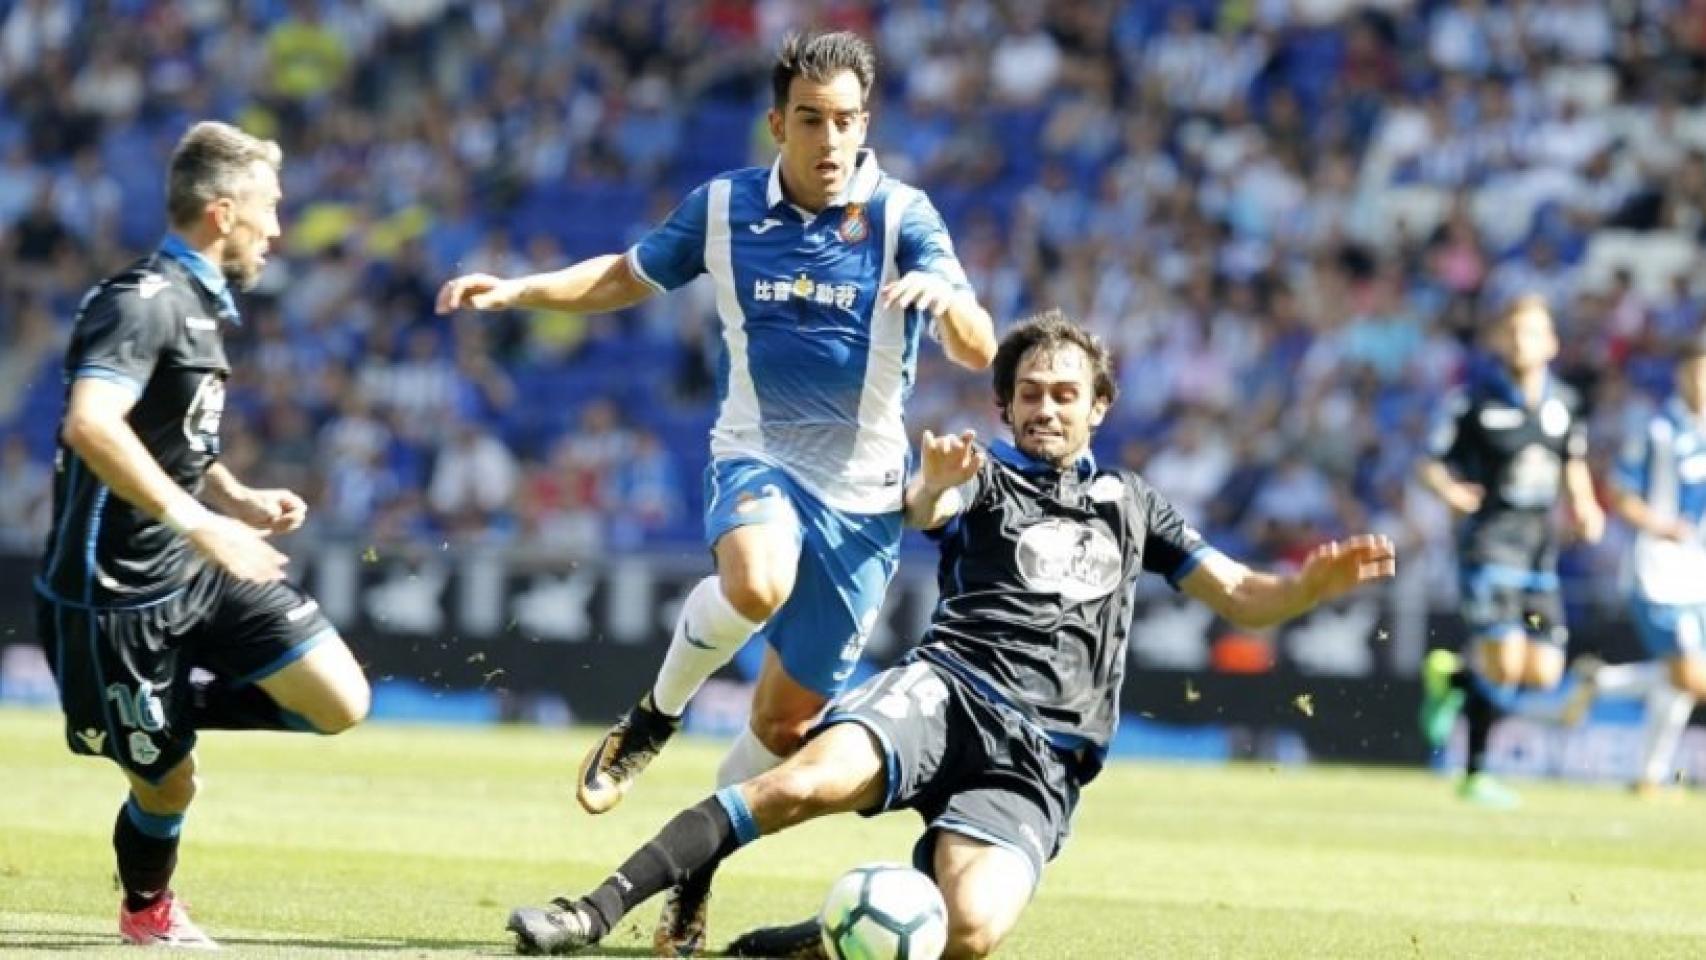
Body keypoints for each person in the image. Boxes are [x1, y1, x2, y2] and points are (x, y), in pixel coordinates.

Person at [504, 311, 1396, 958]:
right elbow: (929, 505)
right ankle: (592, 910)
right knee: (804, 782)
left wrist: (1308, 587)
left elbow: (1242, 595)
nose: (1046, 409)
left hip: (1042, 760)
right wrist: (930, 484)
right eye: (1029, 396)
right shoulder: (981, 478)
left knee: (968, 932)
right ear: (1005, 409)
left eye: (1065, 395)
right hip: (949, 691)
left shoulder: (1136, 504)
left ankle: (805, 947)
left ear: (1100, 408)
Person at [437, 31, 995, 953]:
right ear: (778, 122)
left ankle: (695, 865)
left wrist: (947, 297)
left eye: (847, 121)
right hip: (758, 455)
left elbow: (978, 347)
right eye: (810, 120)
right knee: (757, 582)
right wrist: (521, 291)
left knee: (786, 721)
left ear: (866, 126)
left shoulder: (904, 217)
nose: (829, 139)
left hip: (864, 504)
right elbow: (625, 274)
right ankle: (653, 715)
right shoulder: (726, 207)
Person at [35, 121, 371, 948]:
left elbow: (169, 439)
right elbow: (90, 424)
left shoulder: (198, 305)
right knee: (168, 789)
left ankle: (157, 714)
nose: (280, 228)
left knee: (341, 699)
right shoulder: (140, 301)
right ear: (223, 213)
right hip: (113, 599)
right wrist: (202, 521)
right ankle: (146, 912)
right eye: (271, 208)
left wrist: (234, 495)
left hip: (193, 567)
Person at [1416, 294, 1605, 808]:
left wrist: (1585, 506)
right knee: (1504, 662)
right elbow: (1430, 462)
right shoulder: (1473, 401)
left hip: (1539, 555)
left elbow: (1573, 461)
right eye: (1513, 332)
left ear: (1551, 343)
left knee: (1543, 674)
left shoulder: (1565, 403)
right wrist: (1450, 491)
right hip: (1489, 545)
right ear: (1500, 340)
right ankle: (1475, 775)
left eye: (1532, 332)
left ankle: (1452, 675)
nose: (1522, 341)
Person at [1564, 334, 1706, 796]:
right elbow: (1621, 495)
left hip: (1698, 573)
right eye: (1698, 372)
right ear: (1682, 375)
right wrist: (1662, 525)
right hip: (1660, 570)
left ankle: (1647, 772)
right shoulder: (1658, 430)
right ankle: (1606, 691)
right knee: (1689, 673)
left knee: (1680, 679)